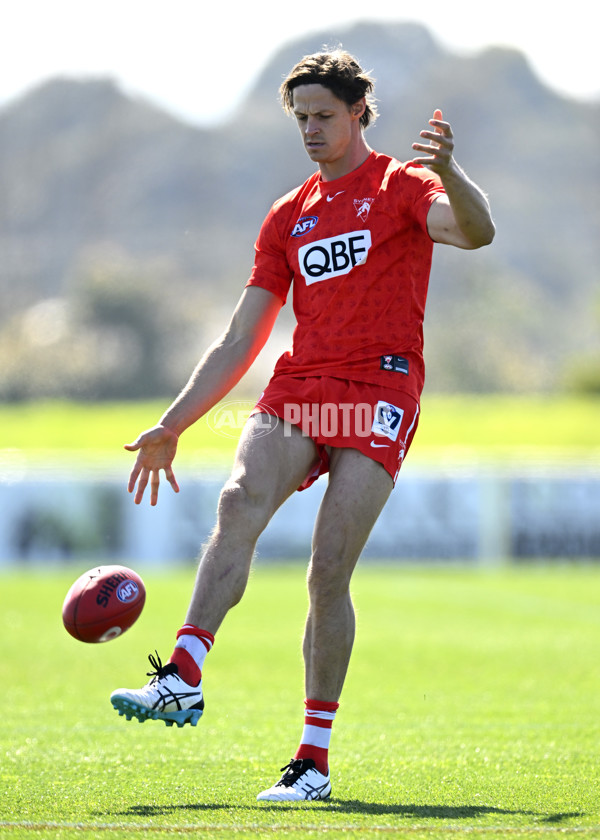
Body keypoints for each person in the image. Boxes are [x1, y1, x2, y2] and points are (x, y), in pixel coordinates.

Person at [110, 49, 495, 802]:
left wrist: (451, 171)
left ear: (358, 113)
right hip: (304, 386)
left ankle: (311, 760)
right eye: (301, 119)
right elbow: (240, 339)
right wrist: (173, 423)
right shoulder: (289, 215)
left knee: (327, 571)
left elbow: (475, 232)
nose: (311, 130)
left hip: (381, 385)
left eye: (324, 116)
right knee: (237, 500)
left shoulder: (401, 185)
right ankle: (184, 674)